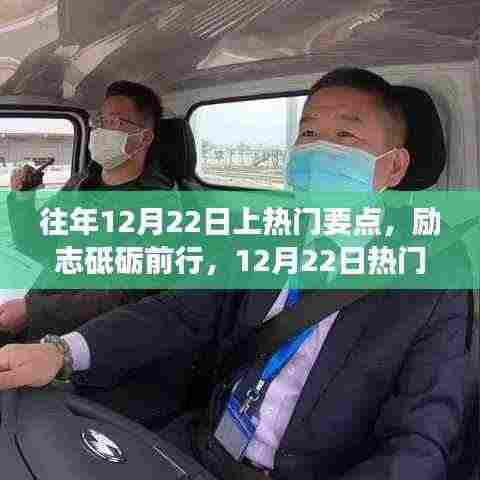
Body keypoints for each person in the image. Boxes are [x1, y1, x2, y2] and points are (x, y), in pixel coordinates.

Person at [0, 68, 472, 479]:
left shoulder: (432, 283)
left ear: (394, 167)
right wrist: (62, 351)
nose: (318, 150)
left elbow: (418, 442)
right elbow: (177, 312)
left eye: (346, 136)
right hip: (196, 447)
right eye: (308, 133)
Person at [0, 80, 178, 339]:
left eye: (114, 121)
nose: (101, 130)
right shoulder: (81, 183)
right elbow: (36, 245)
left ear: (144, 137)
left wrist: (33, 311)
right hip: (36, 306)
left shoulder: (161, 207)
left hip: (80, 337)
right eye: (101, 120)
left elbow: (126, 295)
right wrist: (23, 200)